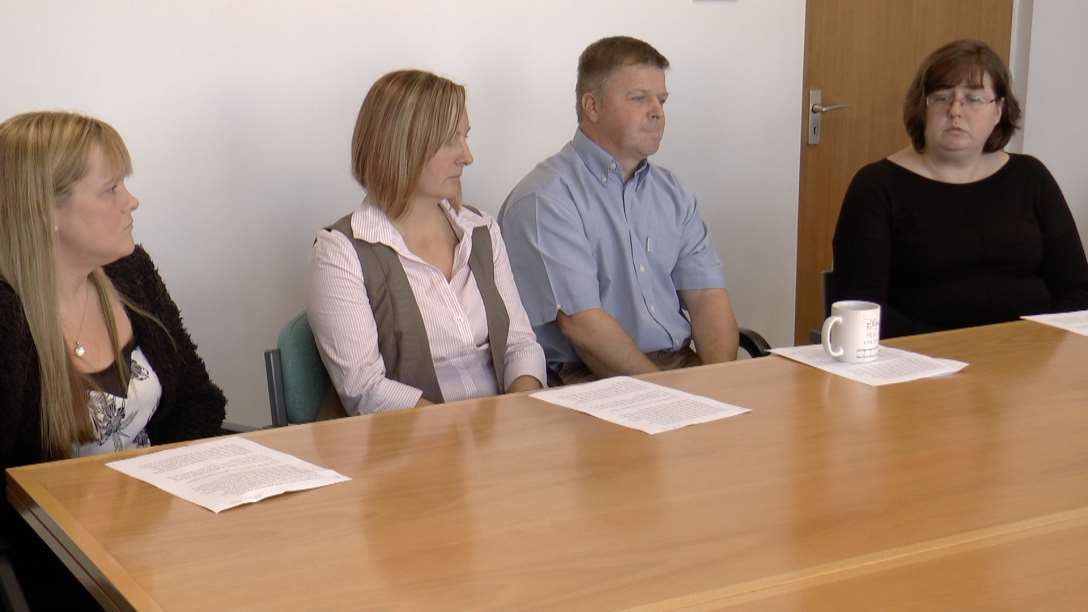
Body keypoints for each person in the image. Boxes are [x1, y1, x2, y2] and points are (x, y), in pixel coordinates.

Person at [0, 111, 227, 609]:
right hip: (59, 563)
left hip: (164, 533)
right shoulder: (7, 315)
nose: (131, 201)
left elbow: (198, 399)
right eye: (111, 189)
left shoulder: (129, 271)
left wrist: (171, 496)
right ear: (46, 210)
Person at [498, 36, 739, 385]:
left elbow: (706, 295)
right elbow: (584, 328)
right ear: (592, 107)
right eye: (639, 98)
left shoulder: (672, 192)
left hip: (678, 368)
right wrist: (671, 397)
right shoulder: (545, 198)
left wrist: (720, 382)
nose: (657, 111)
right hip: (591, 379)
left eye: (662, 99)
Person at [307, 69, 546, 415]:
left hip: (499, 436)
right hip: (411, 448)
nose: (467, 156)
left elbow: (519, 345)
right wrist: (464, 439)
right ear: (402, 146)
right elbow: (365, 390)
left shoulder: (481, 230)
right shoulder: (341, 252)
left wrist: (518, 416)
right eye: (451, 140)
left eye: (466, 137)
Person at [832, 39, 1088, 338]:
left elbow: (1078, 290)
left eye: (974, 99)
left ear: (998, 111)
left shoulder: (1031, 177)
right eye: (941, 97)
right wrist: (961, 351)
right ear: (922, 108)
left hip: (1028, 359)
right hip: (920, 364)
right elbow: (862, 309)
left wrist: (1032, 346)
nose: (956, 111)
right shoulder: (876, 186)